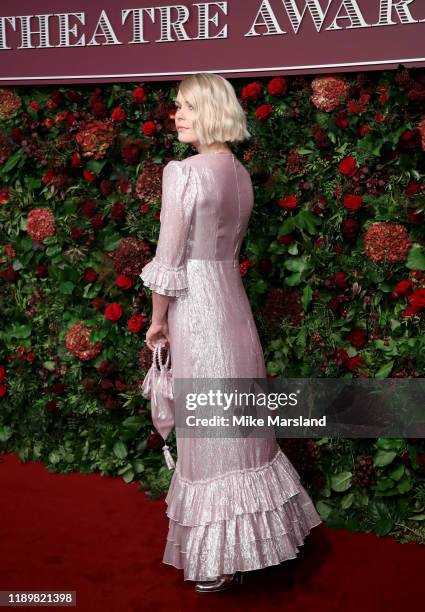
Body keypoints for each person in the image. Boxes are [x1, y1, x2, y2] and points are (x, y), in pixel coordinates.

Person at [139, 73, 322, 593]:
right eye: (176, 107)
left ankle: (218, 559)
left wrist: (156, 323)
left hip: (198, 312)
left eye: (187, 108)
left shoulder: (184, 172)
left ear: (212, 111)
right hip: (234, 311)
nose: (176, 115)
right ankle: (247, 549)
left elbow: (169, 261)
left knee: (211, 436)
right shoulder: (239, 174)